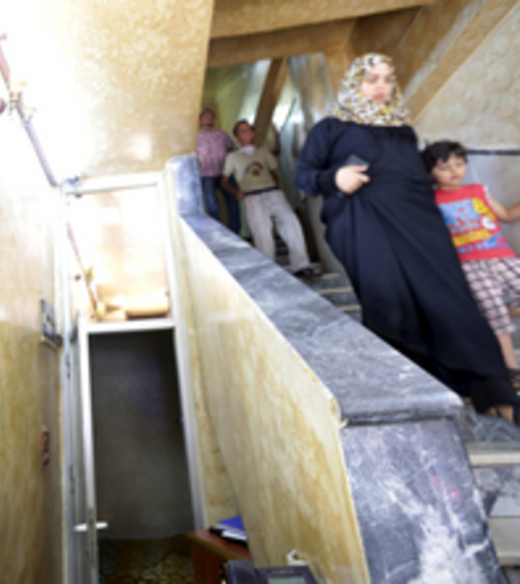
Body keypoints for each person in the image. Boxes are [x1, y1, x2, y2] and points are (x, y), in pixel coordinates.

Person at [294, 53, 520, 421]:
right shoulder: (330, 129)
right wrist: (334, 179)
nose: (381, 86)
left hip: (419, 224)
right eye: (371, 79)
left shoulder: (403, 130)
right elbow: (303, 175)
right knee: (389, 302)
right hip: (362, 223)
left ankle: (491, 387)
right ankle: (412, 388)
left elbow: (417, 177)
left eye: (387, 78)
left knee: (448, 297)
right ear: (354, 84)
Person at [422, 140, 520, 376]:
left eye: (459, 164)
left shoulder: (479, 190)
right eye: (444, 167)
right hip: (468, 264)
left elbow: (506, 215)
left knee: (497, 309)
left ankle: (509, 309)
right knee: (494, 313)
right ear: (430, 172)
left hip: (502, 257)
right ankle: (511, 367)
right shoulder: (430, 199)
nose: (454, 171)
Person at [221, 120, 315, 277]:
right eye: (241, 131)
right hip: (252, 197)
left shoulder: (263, 151)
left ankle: (301, 265)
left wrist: (278, 183)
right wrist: (235, 191)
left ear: (253, 133)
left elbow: (272, 170)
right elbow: (223, 181)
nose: (246, 132)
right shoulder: (233, 157)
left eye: (248, 129)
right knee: (261, 234)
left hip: (273, 192)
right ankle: (270, 271)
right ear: (237, 137)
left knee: (291, 224)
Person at [195, 108, 240, 234]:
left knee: (232, 203)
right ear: (199, 121)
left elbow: (231, 147)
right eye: (205, 116)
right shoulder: (196, 139)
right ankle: (217, 235)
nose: (208, 118)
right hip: (206, 176)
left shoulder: (222, 135)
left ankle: (235, 234)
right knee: (212, 206)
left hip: (225, 174)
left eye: (211, 116)